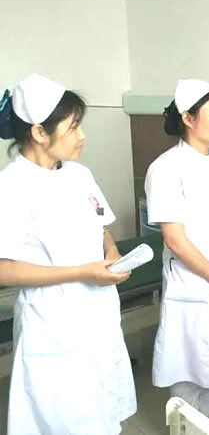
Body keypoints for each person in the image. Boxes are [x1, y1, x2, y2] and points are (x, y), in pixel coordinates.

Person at [0, 73, 136, 434]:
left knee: (102, 412)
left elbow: (101, 224)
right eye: (73, 127)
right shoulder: (11, 186)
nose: (82, 135)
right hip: (53, 326)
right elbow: (4, 270)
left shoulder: (79, 174)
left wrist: (112, 251)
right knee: (66, 419)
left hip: (99, 314)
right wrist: (82, 272)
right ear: (39, 132)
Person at [145, 79, 209, 422]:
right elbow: (175, 239)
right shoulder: (166, 168)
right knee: (189, 374)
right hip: (194, 288)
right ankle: (187, 428)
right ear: (189, 119)